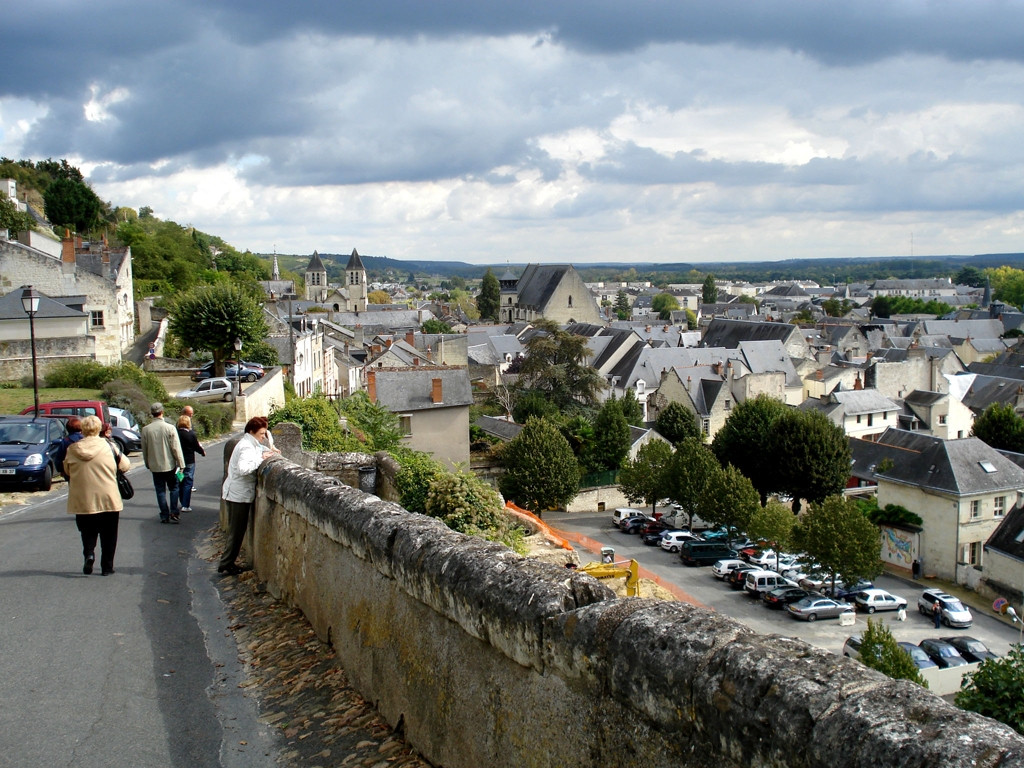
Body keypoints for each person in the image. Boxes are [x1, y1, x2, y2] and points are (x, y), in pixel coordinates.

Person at [64, 415, 130, 576]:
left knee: (87, 531)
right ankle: (107, 567)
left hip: (83, 498)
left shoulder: (73, 449)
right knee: (109, 534)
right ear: (99, 428)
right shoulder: (109, 446)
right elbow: (125, 465)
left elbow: (67, 470)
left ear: (83, 430)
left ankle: (89, 553)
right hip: (108, 496)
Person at [219, 416, 276, 575]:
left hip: (238, 492)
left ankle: (227, 562)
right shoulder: (245, 447)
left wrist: (268, 450)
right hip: (238, 494)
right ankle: (226, 563)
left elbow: (259, 447)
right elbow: (244, 468)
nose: (263, 437)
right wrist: (261, 459)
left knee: (237, 530)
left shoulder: (249, 443)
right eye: (261, 433)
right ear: (252, 431)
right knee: (236, 531)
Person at [140, 402, 186, 524]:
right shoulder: (170, 428)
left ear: (152, 413)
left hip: (155, 465)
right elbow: (176, 448)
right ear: (162, 412)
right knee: (174, 488)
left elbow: (145, 449)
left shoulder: (146, 430)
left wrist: (147, 463)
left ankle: (164, 515)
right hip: (169, 464)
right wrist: (181, 464)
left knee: (160, 490)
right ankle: (174, 511)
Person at [176, 414, 206, 512]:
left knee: (180, 481)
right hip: (189, 461)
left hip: (178, 462)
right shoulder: (191, 434)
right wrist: (202, 452)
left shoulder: (176, 434)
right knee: (188, 482)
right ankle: (185, 505)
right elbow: (196, 446)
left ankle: (181, 501)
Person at [55, 416, 84, 481]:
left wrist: (61, 470)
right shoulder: (85, 439)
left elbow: (59, 458)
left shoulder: (65, 441)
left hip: (70, 470)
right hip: (84, 470)